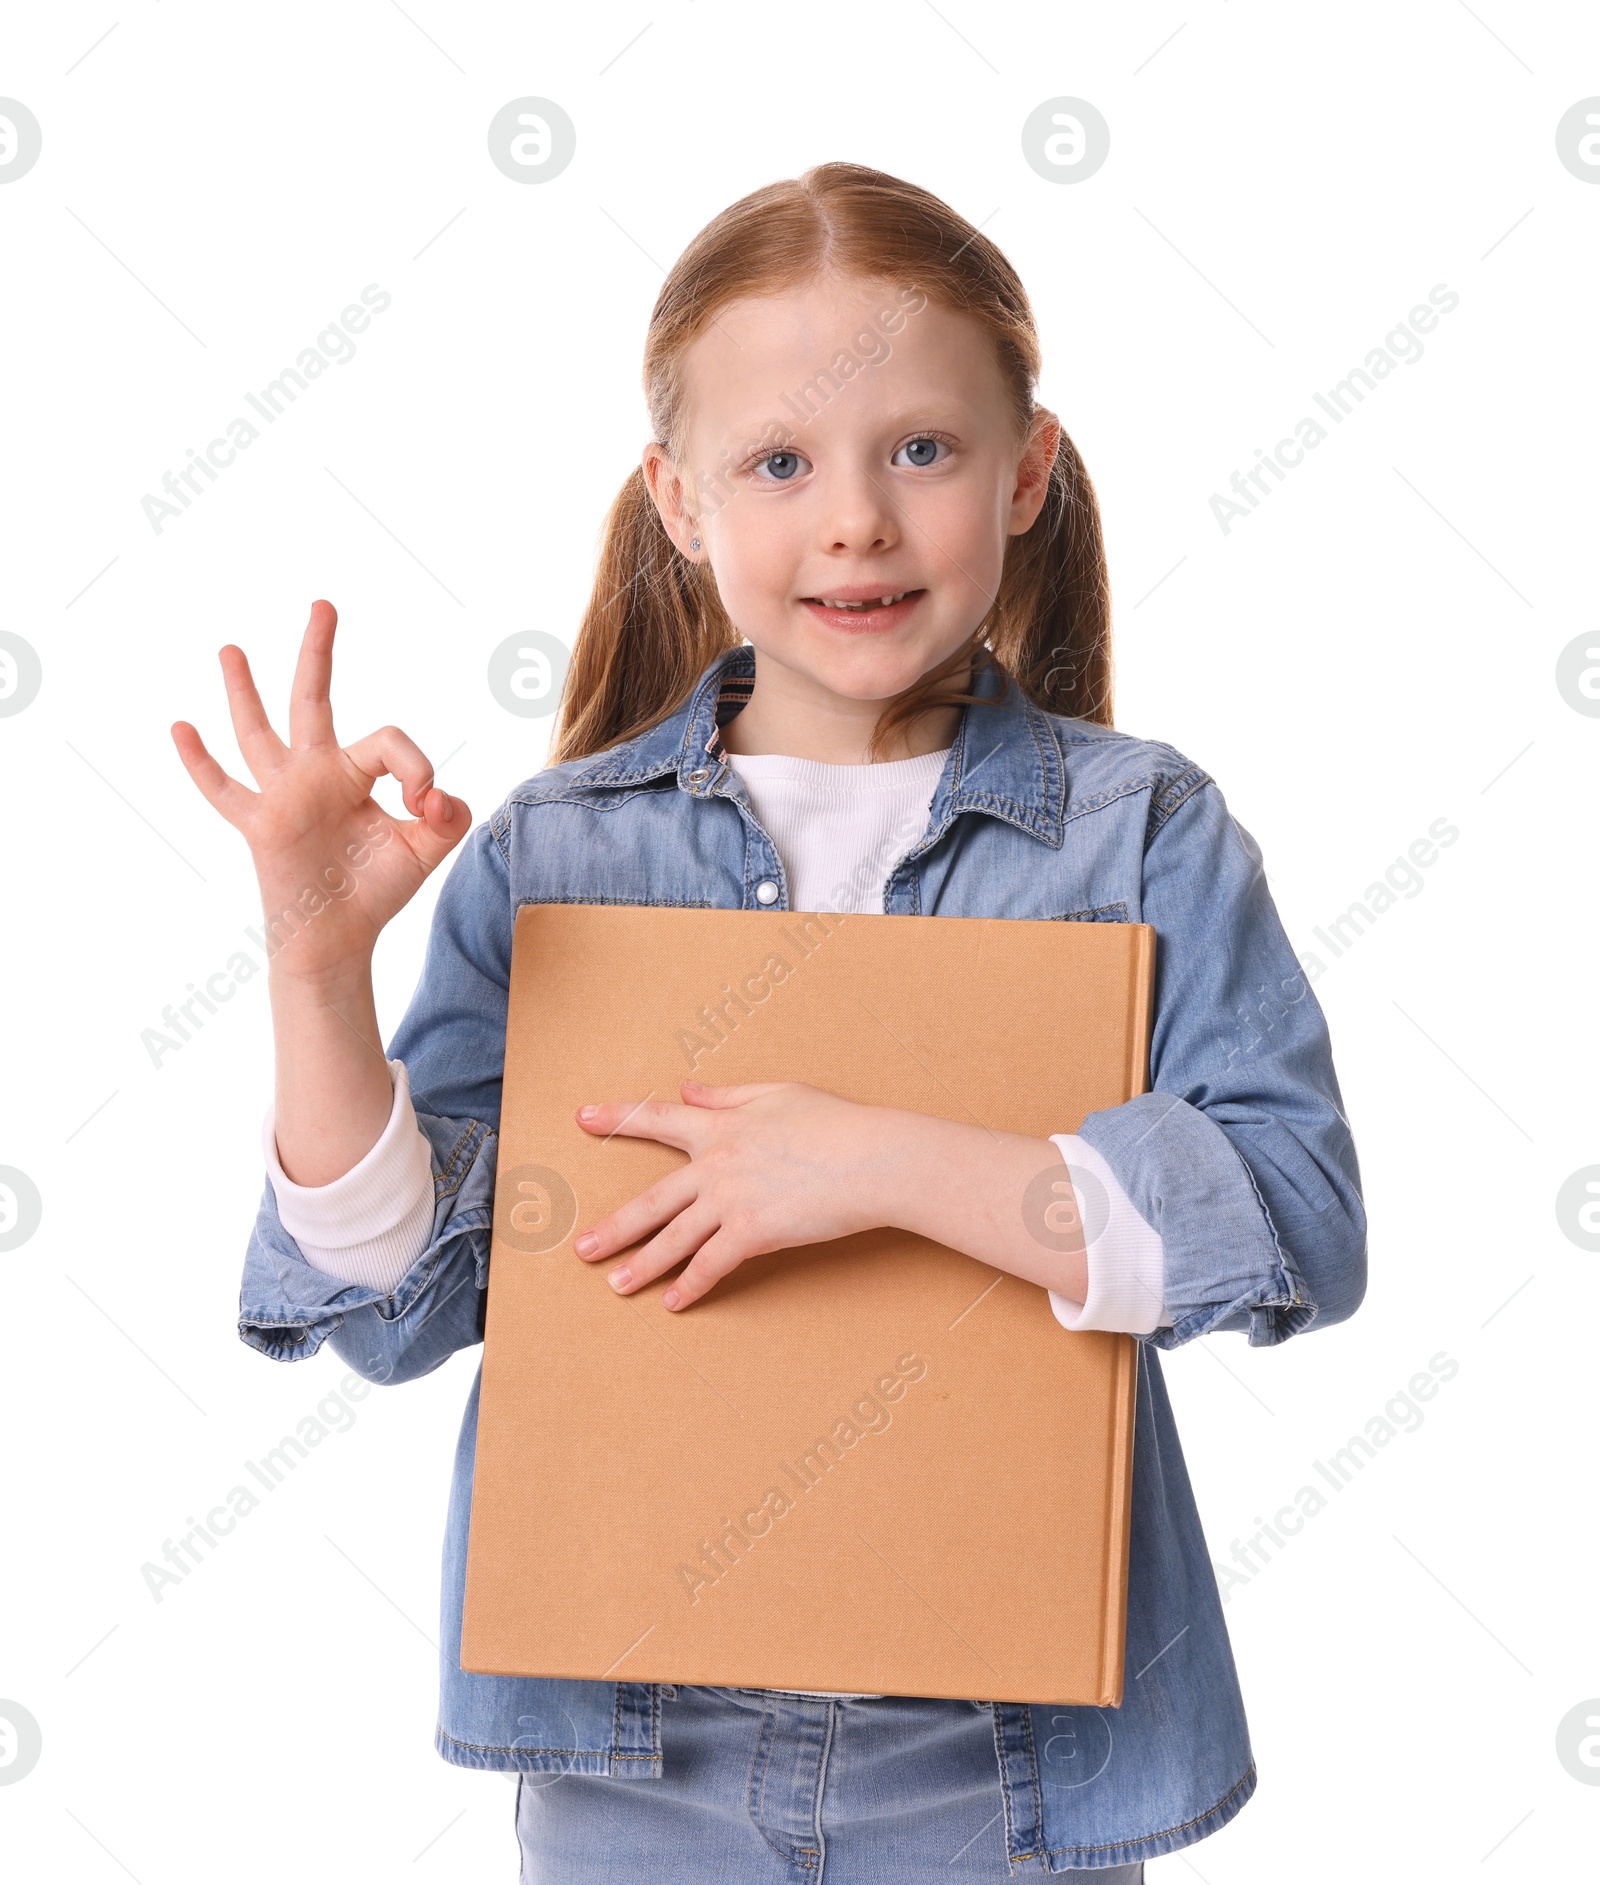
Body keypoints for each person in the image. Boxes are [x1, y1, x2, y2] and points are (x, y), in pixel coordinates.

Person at [172, 162, 1366, 1880]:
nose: (857, 520)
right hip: (636, 1755)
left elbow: (1297, 1218)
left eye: (924, 449)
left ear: (1029, 469)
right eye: (781, 464)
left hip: (1015, 1757)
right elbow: (399, 1296)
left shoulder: (1140, 835)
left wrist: (872, 1161)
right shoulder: (561, 850)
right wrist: (310, 967)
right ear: (679, 498)